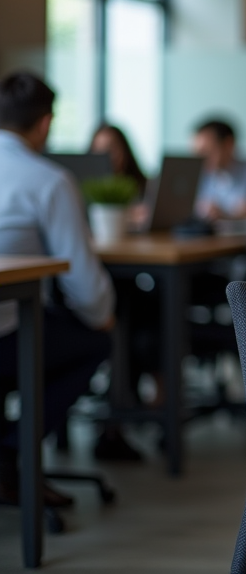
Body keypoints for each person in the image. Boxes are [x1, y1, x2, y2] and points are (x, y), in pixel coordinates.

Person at [0, 73, 115, 506]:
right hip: (9, 333)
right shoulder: (47, 180)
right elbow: (83, 281)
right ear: (45, 123)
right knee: (93, 342)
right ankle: (12, 451)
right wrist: (102, 316)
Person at [191, 118, 246, 221]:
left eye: (207, 151)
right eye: (197, 153)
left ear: (228, 144)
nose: (201, 158)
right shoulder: (200, 177)